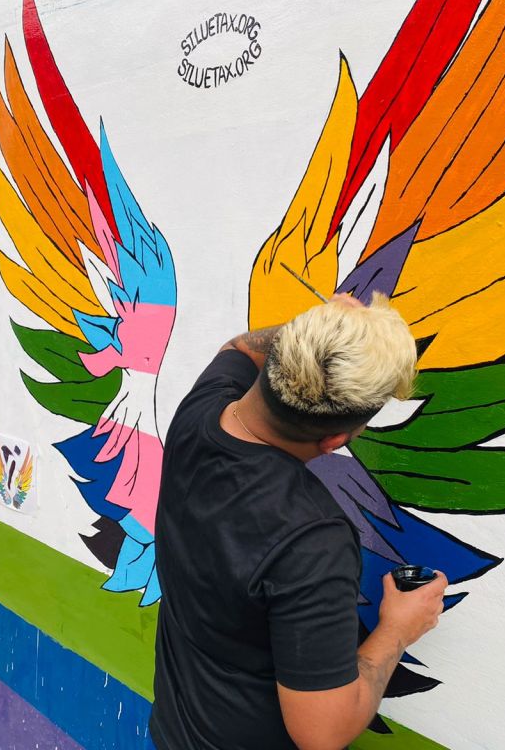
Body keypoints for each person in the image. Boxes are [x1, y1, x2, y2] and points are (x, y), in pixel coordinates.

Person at [150, 293, 448, 750]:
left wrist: (320, 330)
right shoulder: (311, 539)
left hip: (174, 732)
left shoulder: (199, 414)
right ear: (335, 441)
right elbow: (320, 733)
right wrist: (397, 629)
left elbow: (238, 349)